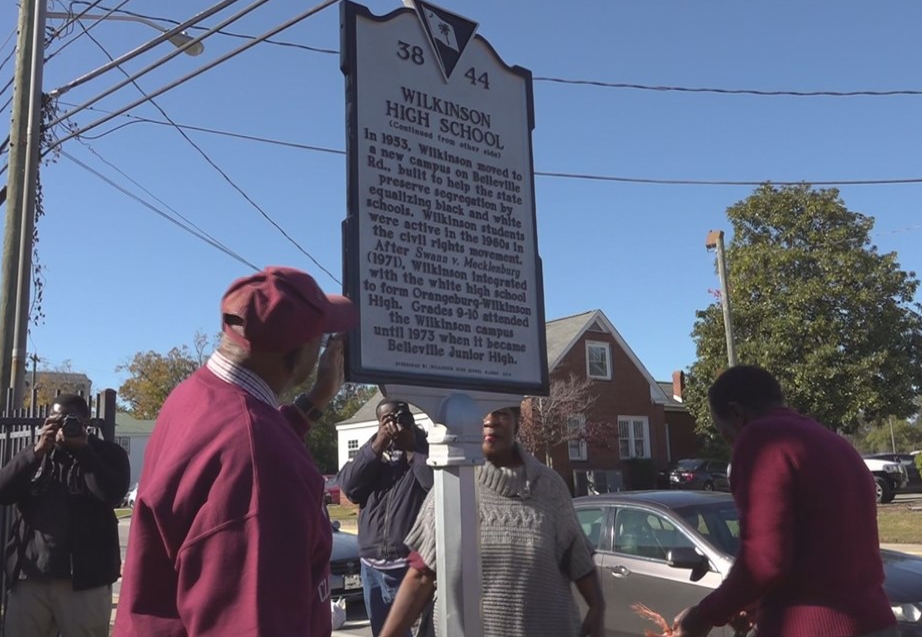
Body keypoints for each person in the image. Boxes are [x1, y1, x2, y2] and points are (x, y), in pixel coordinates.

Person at [112, 266, 357, 637]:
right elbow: (249, 623)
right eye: (321, 339)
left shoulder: (193, 397)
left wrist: (313, 403)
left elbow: (236, 441)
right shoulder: (261, 462)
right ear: (298, 352)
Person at [670, 365, 896, 637]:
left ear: (736, 414)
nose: (730, 444)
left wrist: (703, 616)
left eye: (723, 433)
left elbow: (763, 561)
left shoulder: (760, 439)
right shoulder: (834, 443)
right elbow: (820, 549)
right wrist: (752, 600)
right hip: (876, 622)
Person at [380, 407, 606, 637]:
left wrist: (597, 608)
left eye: (500, 413)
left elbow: (579, 559)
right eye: (481, 414)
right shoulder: (450, 486)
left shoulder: (550, 487)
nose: (489, 421)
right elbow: (420, 575)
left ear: (516, 423)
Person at [0, 393, 130, 637]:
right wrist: (37, 451)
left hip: (86, 580)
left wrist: (84, 451)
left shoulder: (107, 454)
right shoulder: (37, 455)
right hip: (31, 577)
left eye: (72, 420)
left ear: (87, 422)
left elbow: (110, 495)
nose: (66, 426)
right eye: (57, 420)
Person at [337, 398, 434, 637]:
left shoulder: (425, 450)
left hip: (409, 569)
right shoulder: (374, 452)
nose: (395, 425)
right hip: (371, 568)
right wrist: (377, 445)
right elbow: (349, 486)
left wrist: (412, 448)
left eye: (400, 417)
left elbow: (434, 485)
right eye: (387, 420)